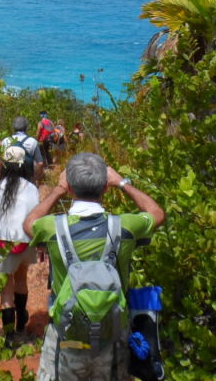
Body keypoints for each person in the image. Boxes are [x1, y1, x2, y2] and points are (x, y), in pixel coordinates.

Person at [24, 152, 165, 381]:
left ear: (70, 187)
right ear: (105, 188)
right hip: (113, 339)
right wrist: (122, 183)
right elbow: (157, 213)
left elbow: (29, 222)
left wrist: (58, 190)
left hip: (67, 339)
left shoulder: (52, 228)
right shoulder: (125, 227)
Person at [0, 144, 41, 346]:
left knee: (6, 290)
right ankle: (21, 329)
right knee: (21, 281)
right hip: (25, 242)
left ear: (4, 165)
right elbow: (35, 218)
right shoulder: (31, 188)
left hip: (1, 243)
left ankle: (8, 337)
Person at [0, 116, 45, 183]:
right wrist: (36, 178)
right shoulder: (33, 141)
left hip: (8, 179)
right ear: (26, 127)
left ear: (13, 127)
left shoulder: (5, 141)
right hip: (27, 179)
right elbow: (40, 164)